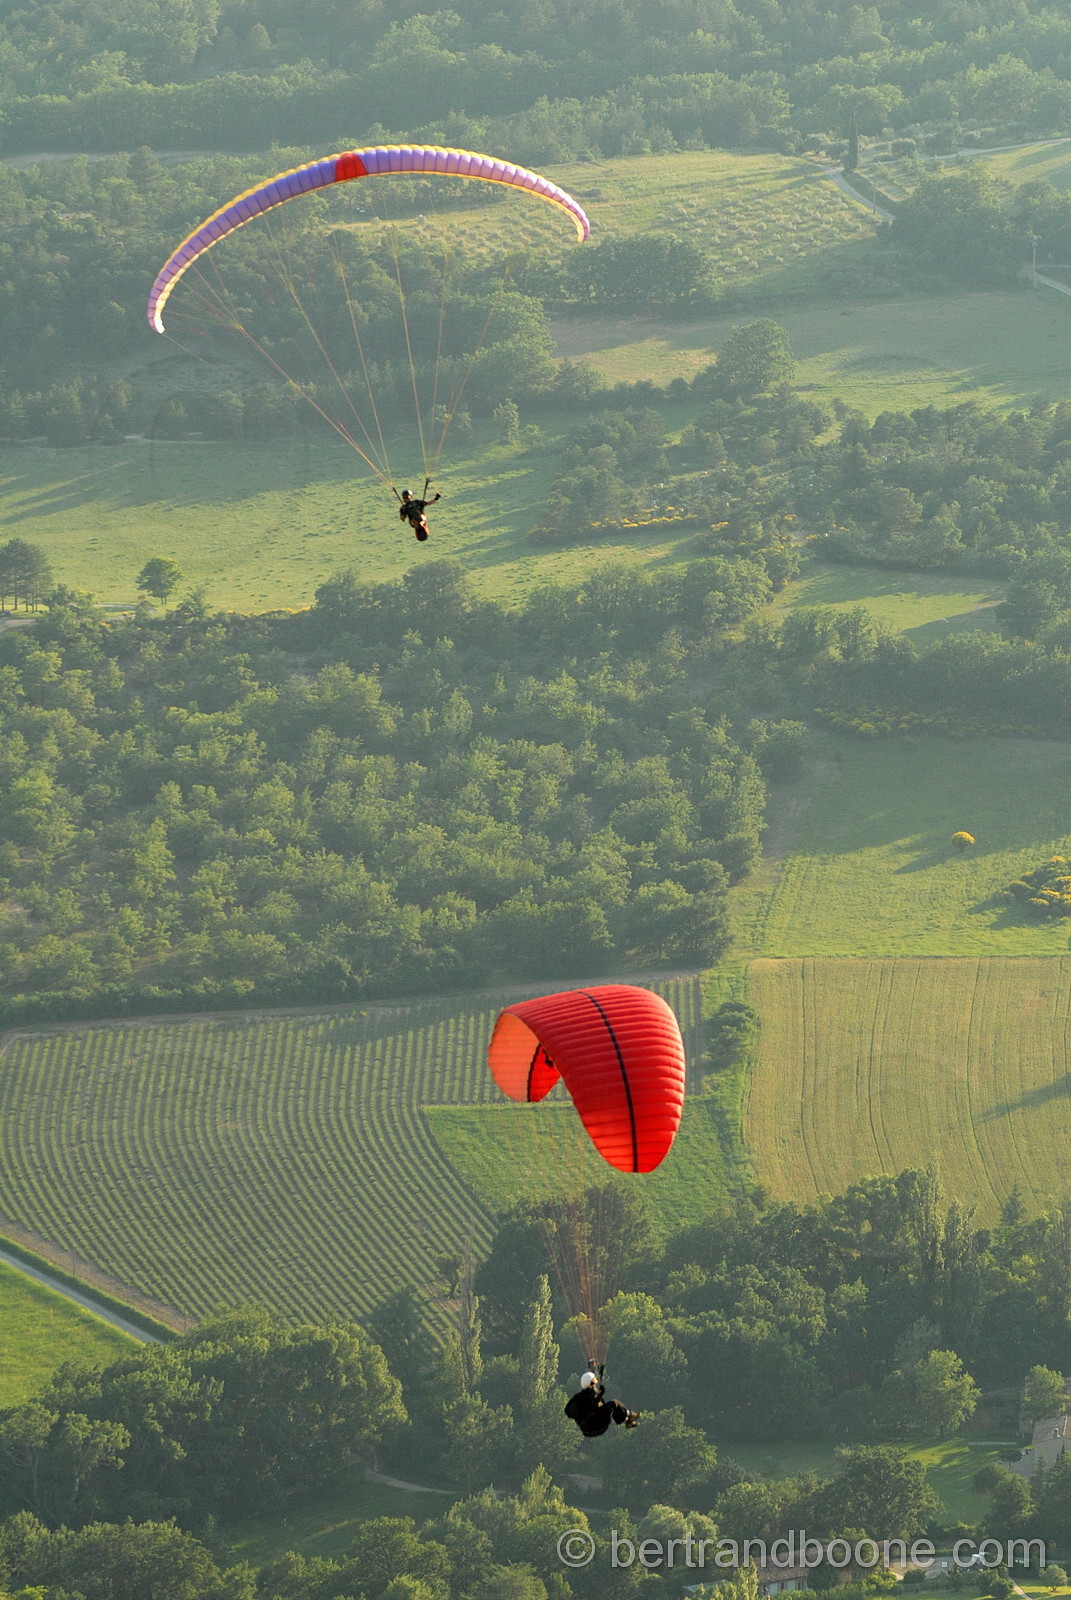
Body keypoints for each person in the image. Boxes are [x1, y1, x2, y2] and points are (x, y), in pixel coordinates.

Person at [564, 1366, 639, 1437]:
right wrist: (601, 1393)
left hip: (586, 1430)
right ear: (592, 1382)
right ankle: (629, 1416)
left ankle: (626, 1418)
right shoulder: (591, 1395)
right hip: (599, 1425)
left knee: (608, 1405)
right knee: (613, 1403)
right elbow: (594, 1404)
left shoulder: (579, 1397)